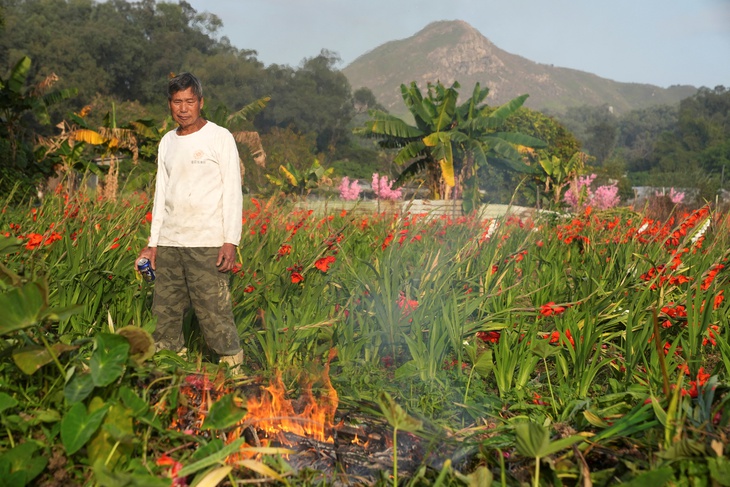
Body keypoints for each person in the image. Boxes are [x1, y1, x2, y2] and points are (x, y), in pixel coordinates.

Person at [136, 72, 243, 369]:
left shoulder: (220, 137)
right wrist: (153, 244)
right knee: (165, 311)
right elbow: (162, 195)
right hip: (170, 242)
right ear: (170, 105)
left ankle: (232, 370)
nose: (183, 108)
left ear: (200, 102)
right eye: (177, 102)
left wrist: (230, 240)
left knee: (213, 310)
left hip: (208, 241)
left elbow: (233, 191)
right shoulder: (167, 142)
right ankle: (171, 369)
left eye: (190, 101)